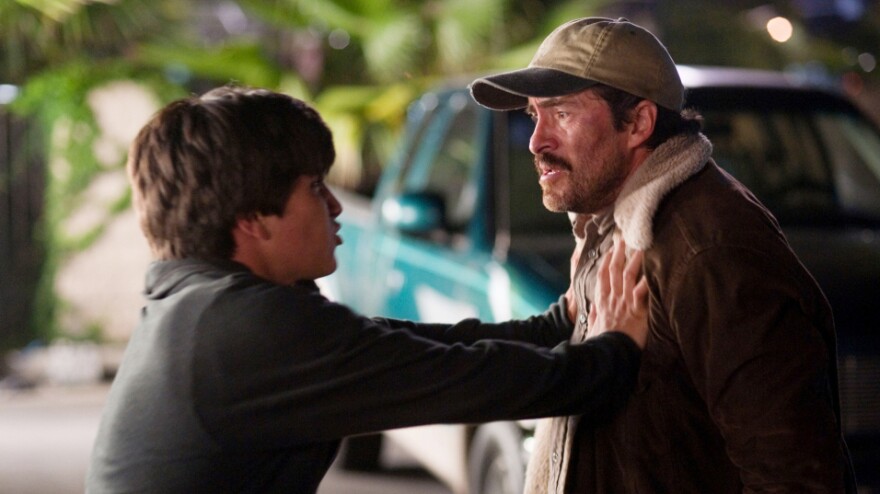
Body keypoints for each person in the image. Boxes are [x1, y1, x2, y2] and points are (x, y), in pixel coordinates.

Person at [85, 85, 649, 494]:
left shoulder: (202, 309)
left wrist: (560, 320)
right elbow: (463, 382)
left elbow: (415, 346)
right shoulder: (242, 328)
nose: (336, 207)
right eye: (314, 188)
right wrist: (617, 350)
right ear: (253, 218)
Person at [470, 16, 856, 494]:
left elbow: (795, 475)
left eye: (562, 114)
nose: (536, 141)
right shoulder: (614, 226)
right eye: (534, 115)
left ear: (638, 123)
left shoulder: (711, 249)